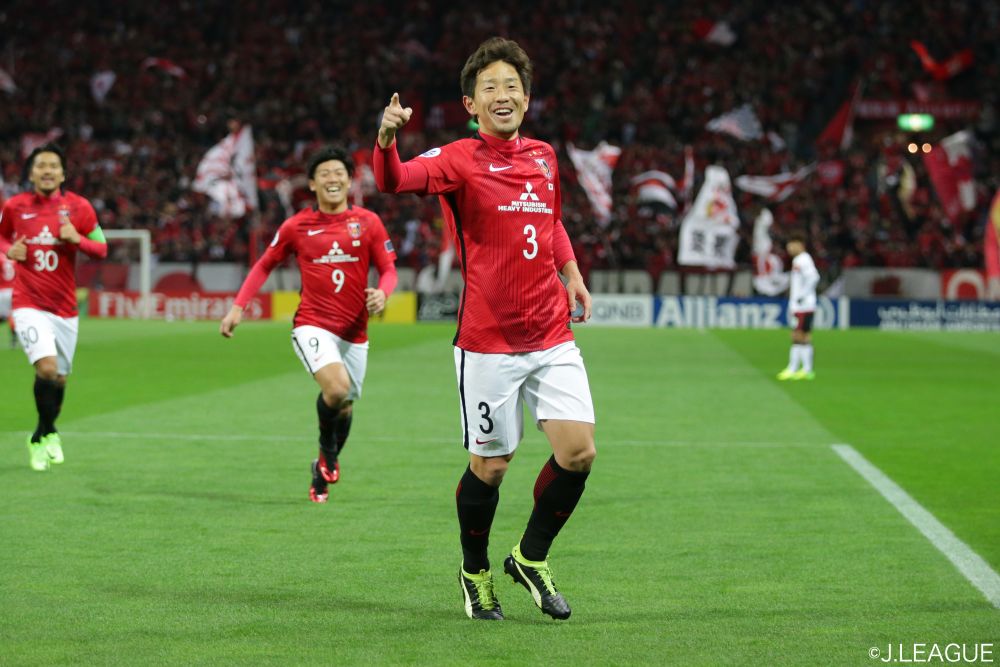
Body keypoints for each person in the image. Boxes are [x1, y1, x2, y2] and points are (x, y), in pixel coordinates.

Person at [374, 37, 596, 621]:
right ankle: (474, 572)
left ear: (526, 98)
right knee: (492, 467)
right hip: (488, 342)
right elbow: (394, 181)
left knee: (578, 453)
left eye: (512, 86)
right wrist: (386, 140)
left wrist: (572, 273)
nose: (503, 94)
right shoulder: (458, 159)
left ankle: (529, 557)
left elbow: (552, 222)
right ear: (471, 104)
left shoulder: (545, 156)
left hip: (551, 333)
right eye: (490, 87)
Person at [220, 146, 398, 503]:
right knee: (337, 389)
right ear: (313, 184)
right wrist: (238, 307)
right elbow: (264, 264)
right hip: (313, 324)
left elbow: (389, 269)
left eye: (339, 173)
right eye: (324, 174)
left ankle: (321, 469)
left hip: (355, 332)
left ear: (349, 180)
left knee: (344, 405)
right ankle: (327, 451)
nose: (333, 178)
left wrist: (383, 292)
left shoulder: (368, 222)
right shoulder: (297, 226)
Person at [0, 144, 108, 471]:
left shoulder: (80, 207)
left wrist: (77, 238)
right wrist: (9, 251)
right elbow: (2, 238)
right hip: (28, 302)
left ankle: (41, 434)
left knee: (59, 379)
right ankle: (48, 435)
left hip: (65, 308)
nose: (47, 171)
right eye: (41, 165)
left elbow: (101, 249)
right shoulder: (15, 206)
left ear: (63, 174)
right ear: (31, 173)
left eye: (53, 166)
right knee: (46, 369)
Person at [777, 236, 820, 381]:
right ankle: (807, 370)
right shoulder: (801, 260)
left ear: (799, 244)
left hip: (803, 305)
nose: (789, 248)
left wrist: (802, 296)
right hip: (804, 305)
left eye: (791, 244)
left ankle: (793, 368)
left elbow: (814, 277)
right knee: (804, 336)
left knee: (797, 336)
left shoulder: (803, 260)